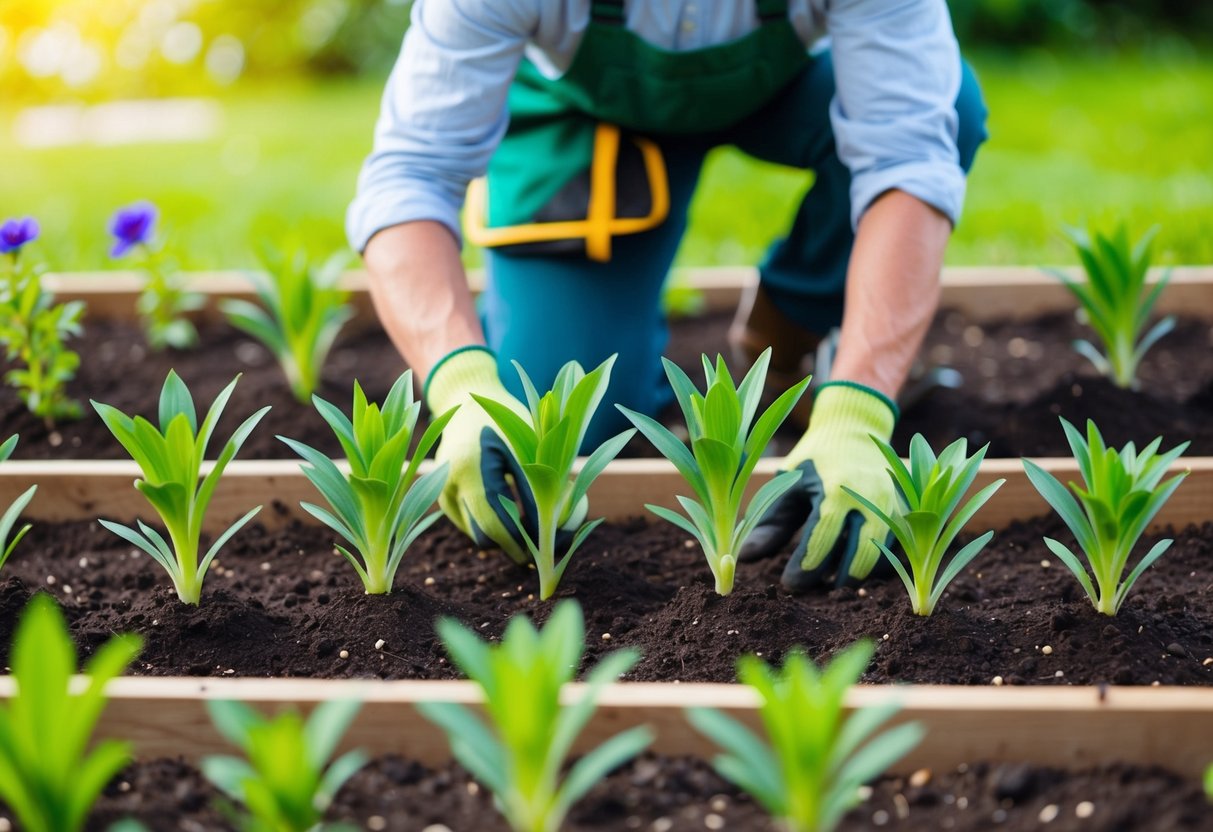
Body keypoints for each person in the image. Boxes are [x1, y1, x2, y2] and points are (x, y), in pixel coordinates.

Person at [347, 0, 988, 590]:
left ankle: (789, 321)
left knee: (948, 103)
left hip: (789, 86)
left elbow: (908, 161)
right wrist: (459, 386)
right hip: (584, 109)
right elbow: (411, 175)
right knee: (560, 432)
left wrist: (860, 412)